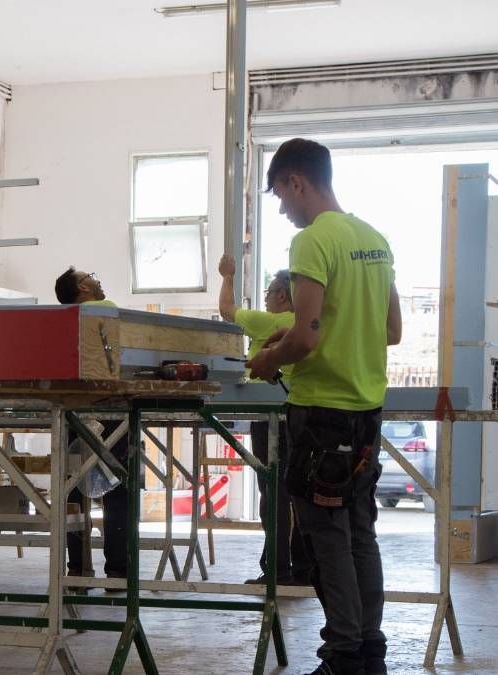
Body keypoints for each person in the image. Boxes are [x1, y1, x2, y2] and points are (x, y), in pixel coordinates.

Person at [246, 138, 401, 675]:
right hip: (365, 412)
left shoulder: (314, 242)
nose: (284, 209)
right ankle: (367, 652)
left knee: (325, 536)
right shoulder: (375, 239)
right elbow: (392, 330)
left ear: (297, 181)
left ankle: (341, 657)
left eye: (281, 196)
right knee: (359, 531)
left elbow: (306, 339)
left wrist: (270, 359)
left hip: (321, 414)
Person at [218, 256, 310, 586]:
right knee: (295, 490)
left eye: (269, 292)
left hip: (269, 414)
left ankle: (276, 568)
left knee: (272, 492)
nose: (267, 299)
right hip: (295, 412)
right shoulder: (305, 324)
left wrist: (227, 276)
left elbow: (227, 310)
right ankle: (300, 567)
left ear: (283, 295)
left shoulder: (270, 322)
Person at [54, 267, 127, 584]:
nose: (98, 279)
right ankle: (118, 569)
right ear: (82, 288)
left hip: (74, 409)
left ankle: (78, 569)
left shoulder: (63, 320)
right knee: (118, 488)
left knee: (74, 488)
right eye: (92, 276)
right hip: (109, 409)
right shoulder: (104, 309)